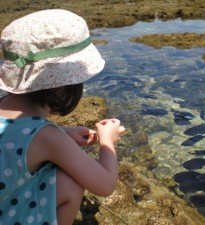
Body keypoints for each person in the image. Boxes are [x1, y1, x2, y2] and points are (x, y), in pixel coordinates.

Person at [0, 9, 125, 225]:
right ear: (62, 85)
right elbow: (105, 185)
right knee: (71, 183)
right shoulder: (48, 137)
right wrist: (107, 141)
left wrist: (65, 133)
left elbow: (17, 138)